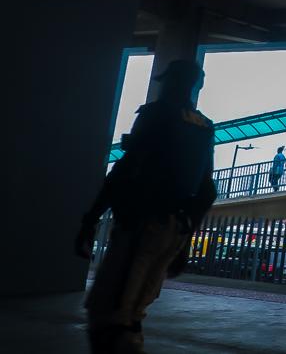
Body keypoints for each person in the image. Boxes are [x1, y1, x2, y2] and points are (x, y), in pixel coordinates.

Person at [75, 59, 216, 354]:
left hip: (141, 226)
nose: (162, 86)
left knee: (107, 311)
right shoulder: (204, 127)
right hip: (174, 229)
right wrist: (184, 243)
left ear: (175, 82)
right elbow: (206, 191)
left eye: (167, 80)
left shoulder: (155, 115)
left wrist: (90, 219)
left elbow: (124, 170)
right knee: (132, 311)